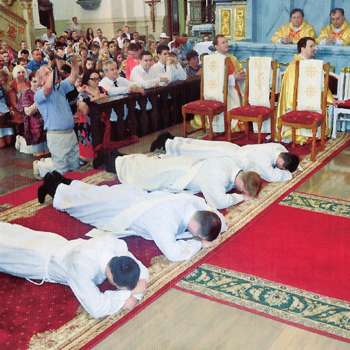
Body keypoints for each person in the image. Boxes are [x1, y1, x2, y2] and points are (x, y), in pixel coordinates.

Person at [38, 173, 226, 262]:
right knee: (82, 205)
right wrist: (199, 244)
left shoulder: (192, 202)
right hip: (121, 210)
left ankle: (59, 179)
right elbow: (174, 253)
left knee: (92, 193)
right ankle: (52, 186)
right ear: (194, 229)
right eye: (197, 235)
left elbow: (215, 216)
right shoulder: (166, 222)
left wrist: (216, 228)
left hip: (130, 195)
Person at [0, 221, 149, 318]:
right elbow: (97, 308)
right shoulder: (82, 266)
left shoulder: (117, 248)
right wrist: (131, 293)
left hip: (55, 243)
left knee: (13, 235)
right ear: (110, 275)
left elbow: (141, 270)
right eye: (119, 287)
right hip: (35, 260)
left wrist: (136, 297)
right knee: (6, 247)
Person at [115, 152, 262, 209]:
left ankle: (119, 158)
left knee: (148, 165)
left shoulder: (236, 167)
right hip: (178, 174)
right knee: (142, 174)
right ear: (242, 183)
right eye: (242, 189)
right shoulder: (217, 176)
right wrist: (240, 197)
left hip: (189, 165)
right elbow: (218, 202)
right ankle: (112, 160)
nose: (239, 191)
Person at [151, 134, 300, 182]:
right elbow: (272, 176)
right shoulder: (264, 160)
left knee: (200, 146)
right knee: (196, 153)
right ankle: (166, 143)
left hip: (233, 148)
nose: (281, 169)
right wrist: (289, 174)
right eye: (282, 167)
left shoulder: (277, 148)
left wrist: (295, 165)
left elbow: (286, 152)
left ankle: (172, 139)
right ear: (281, 162)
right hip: (231, 156)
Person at [275, 37, 335, 144]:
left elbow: (320, 85)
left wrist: (331, 99)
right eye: (311, 46)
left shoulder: (309, 65)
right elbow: (291, 90)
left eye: (314, 46)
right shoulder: (294, 66)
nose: (314, 49)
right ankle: (298, 133)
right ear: (302, 48)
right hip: (297, 105)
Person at [33, 50, 80, 179]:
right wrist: (56, 63)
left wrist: (73, 61)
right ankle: (41, 167)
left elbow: (74, 76)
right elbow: (48, 86)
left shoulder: (60, 87)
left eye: (50, 72)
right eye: (47, 73)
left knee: (75, 165)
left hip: (70, 132)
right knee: (62, 169)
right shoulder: (40, 94)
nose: (51, 74)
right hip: (57, 136)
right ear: (41, 81)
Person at [195, 34, 245, 133]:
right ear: (216, 46)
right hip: (220, 93)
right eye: (223, 43)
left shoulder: (232, 58)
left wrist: (242, 75)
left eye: (226, 42)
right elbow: (212, 80)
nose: (226, 44)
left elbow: (239, 69)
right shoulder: (212, 60)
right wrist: (232, 78)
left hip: (233, 89)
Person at [77, 69, 108, 161]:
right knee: (89, 154)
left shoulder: (102, 89)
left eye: (98, 79)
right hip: (87, 123)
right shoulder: (83, 93)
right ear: (87, 80)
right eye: (93, 79)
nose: (96, 81)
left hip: (101, 121)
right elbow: (84, 111)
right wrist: (95, 99)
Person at [17, 71, 48, 156]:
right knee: (36, 151)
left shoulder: (45, 91)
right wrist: (39, 97)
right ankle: (20, 140)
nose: (37, 84)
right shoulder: (26, 93)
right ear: (30, 82)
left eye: (38, 81)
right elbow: (29, 111)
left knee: (46, 150)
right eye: (34, 82)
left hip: (44, 117)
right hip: (32, 120)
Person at [0, 70, 14, 148]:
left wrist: (10, 109)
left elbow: (6, 101)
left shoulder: (3, 87)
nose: (4, 79)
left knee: (9, 142)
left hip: (5, 113)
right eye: (2, 77)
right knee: (2, 145)